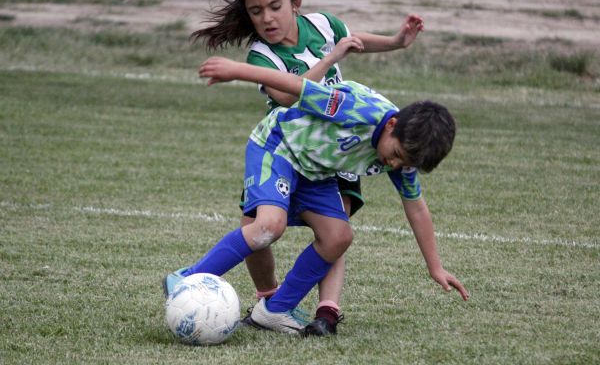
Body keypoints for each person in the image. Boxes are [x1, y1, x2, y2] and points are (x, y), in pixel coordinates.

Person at [174, 0, 425, 336]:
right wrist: (330, 60)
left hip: (338, 148)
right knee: (256, 228)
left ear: (296, 3)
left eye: (274, 7)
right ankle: (268, 298)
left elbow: (355, 41)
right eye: (255, 12)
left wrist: (396, 41)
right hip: (289, 147)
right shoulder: (262, 55)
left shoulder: (323, 25)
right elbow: (292, 95)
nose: (267, 19)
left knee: (336, 230)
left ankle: (326, 311)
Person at [165, 36, 469, 336]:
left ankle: (274, 311)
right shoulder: (354, 108)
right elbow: (295, 86)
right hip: (278, 146)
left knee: (339, 236)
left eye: (405, 164)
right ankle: (187, 279)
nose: (395, 166)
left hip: (316, 171)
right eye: (397, 156)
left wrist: (435, 268)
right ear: (391, 125)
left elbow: (416, 208)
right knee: (269, 226)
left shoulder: (407, 151)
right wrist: (235, 70)